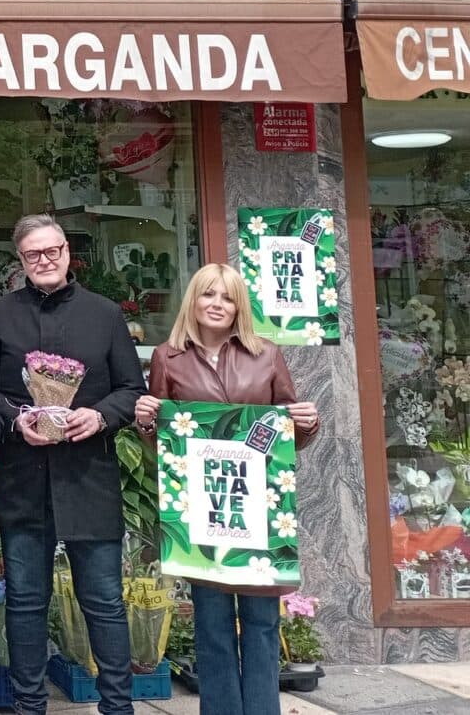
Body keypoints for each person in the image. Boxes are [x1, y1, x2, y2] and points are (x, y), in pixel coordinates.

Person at [0, 214, 145, 715]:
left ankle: (118, 706)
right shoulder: (0, 315)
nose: (44, 261)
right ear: (20, 260)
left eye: (52, 251)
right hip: (25, 476)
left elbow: (132, 390)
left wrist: (101, 415)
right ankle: (29, 706)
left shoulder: (105, 314)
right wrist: (14, 418)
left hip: (89, 474)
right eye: (32, 255)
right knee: (26, 602)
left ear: (68, 252)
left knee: (105, 602)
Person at [135, 263, 319, 715]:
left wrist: (307, 424)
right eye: (208, 295)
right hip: (202, 506)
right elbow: (163, 440)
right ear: (193, 302)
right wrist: (144, 421)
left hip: (259, 506)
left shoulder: (266, 354)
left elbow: (287, 427)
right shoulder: (167, 357)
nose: (217, 305)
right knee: (212, 624)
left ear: (240, 305)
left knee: (260, 622)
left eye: (228, 297)